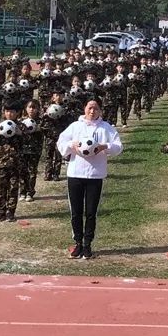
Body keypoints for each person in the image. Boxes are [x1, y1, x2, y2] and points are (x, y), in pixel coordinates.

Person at [56, 99, 123, 260]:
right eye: (90, 108)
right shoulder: (75, 126)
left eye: (96, 109)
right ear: (84, 109)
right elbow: (61, 142)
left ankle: (87, 244)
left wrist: (104, 146)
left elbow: (118, 146)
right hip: (75, 174)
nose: (92, 111)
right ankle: (78, 243)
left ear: (100, 111)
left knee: (91, 212)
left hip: (95, 175)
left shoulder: (106, 127)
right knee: (76, 212)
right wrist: (73, 145)